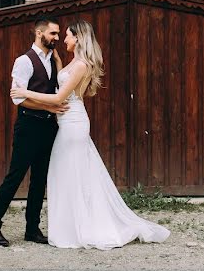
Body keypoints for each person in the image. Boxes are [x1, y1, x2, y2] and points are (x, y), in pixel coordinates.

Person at [10, 20, 170, 249]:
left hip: (73, 124)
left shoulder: (82, 65)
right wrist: (56, 62)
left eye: (67, 36)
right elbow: (63, 81)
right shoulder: (73, 62)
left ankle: (81, 228)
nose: (63, 39)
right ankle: (70, 225)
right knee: (67, 173)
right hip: (67, 122)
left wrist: (24, 92)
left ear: (78, 38)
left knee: (70, 173)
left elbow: (58, 99)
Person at [0, 17, 68, 247]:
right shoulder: (24, 61)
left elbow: (58, 89)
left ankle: (32, 229)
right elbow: (19, 98)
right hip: (28, 126)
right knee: (15, 177)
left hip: (48, 127)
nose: (57, 38)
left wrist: (51, 109)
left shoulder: (54, 59)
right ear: (39, 34)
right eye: (53, 33)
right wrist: (49, 106)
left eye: (58, 34)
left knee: (39, 180)